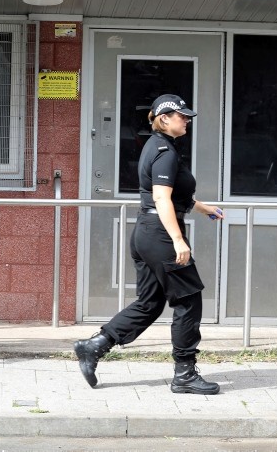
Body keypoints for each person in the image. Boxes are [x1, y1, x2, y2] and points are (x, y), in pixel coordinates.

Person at [74, 94, 223, 395]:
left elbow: (173, 195)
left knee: (150, 302)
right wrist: (178, 240)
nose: (187, 120)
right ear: (165, 118)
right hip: (161, 235)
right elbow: (160, 197)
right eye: (182, 115)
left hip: (146, 231)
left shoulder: (155, 147)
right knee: (188, 299)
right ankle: (184, 373)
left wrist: (204, 208)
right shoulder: (165, 151)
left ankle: (94, 346)